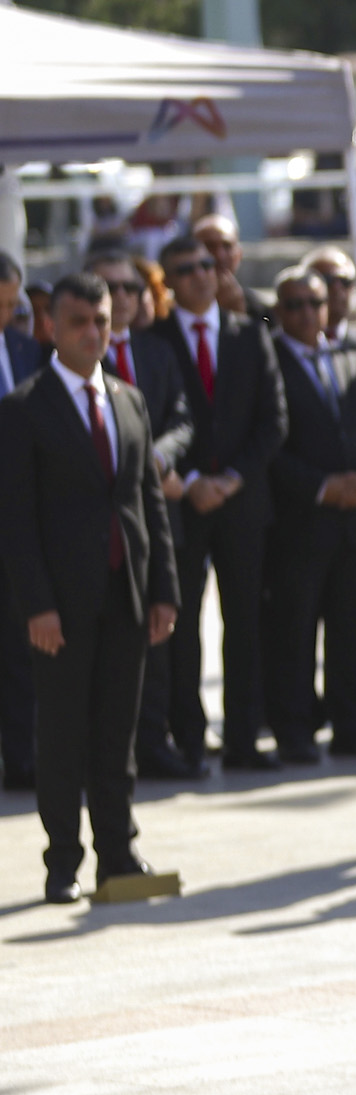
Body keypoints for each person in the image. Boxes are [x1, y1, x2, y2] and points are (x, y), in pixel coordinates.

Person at [0, 272, 180, 903]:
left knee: (116, 730)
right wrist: (38, 606)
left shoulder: (128, 400)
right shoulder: (24, 408)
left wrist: (164, 590)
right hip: (63, 605)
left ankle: (117, 849)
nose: (93, 333)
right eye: (79, 322)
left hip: (125, 593)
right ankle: (62, 860)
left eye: (102, 321)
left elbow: (147, 502)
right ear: (50, 325)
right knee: (63, 734)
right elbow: (15, 521)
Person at [153, 232, 286, 772]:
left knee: (246, 620)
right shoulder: (155, 338)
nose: (200, 275)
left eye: (206, 264)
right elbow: (160, 419)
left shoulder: (248, 334)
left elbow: (273, 421)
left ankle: (241, 738)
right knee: (181, 625)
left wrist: (230, 479)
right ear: (169, 281)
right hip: (180, 502)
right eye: (185, 269)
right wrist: (188, 479)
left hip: (240, 500)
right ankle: (188, 738)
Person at [265, 266, 356, 763]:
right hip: (300, 522)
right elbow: (269, 442)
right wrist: (321, 487)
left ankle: (352, 723)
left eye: (315, 303)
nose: (307, 314)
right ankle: (294, 730)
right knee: (295, 631)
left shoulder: (351, 355)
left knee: (355, 625)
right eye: (293, 305)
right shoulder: (267, 360)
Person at [86, 252, 199, 785]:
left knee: (163, 631)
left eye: (131, 287)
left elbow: (181, 417)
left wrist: (159, 458)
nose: (124, 296)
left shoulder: (158, 351)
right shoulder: (79, 357)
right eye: (112, 288)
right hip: (100, 527)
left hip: (158, 517)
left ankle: (155, 741)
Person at [191, 212, 274, 325]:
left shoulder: (259, 308)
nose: (219, 255)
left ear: (239, 254)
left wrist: (238, 315)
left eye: (227, 246)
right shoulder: (173, 307)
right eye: (209, 246)